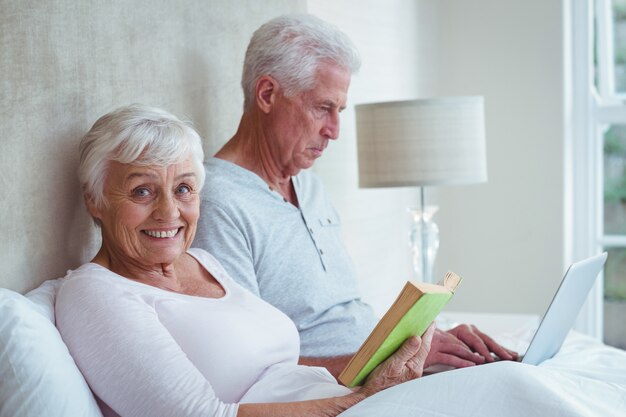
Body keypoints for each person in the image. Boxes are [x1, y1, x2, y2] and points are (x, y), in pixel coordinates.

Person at [55, 104, 435, 417]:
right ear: (95, 198)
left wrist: (372, 373)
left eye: (184, 188)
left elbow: (274, 373)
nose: (169, 212)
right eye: (142, 191)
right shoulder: (94, 292)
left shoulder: (204, 261)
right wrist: (364, 402)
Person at [193, 13, 517, 378]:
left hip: (383, 376)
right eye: (322, 108)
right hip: (337, 394)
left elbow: (342, 315)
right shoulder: (217, 203)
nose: (334, 131)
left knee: (515, 373)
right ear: (267, 94)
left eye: (339, 111)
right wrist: (390, 361)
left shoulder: (309, 185)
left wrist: (422, 344)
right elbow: (246, 369)